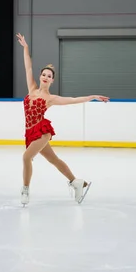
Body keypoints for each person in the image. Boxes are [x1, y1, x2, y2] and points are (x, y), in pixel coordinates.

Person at [16, 33, 109, 206]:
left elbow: (73, 100)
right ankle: (77, 182)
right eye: (43, 74)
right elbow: (28, 67)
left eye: (49, 76)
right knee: (54, 160)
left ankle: (25, 190)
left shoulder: (50, 98)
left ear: (52, 81)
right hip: (30, 133)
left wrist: (93, 96)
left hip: (41, 132)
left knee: (26, 158)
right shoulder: (32, 89)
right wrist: (25, 47)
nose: (45, 77)